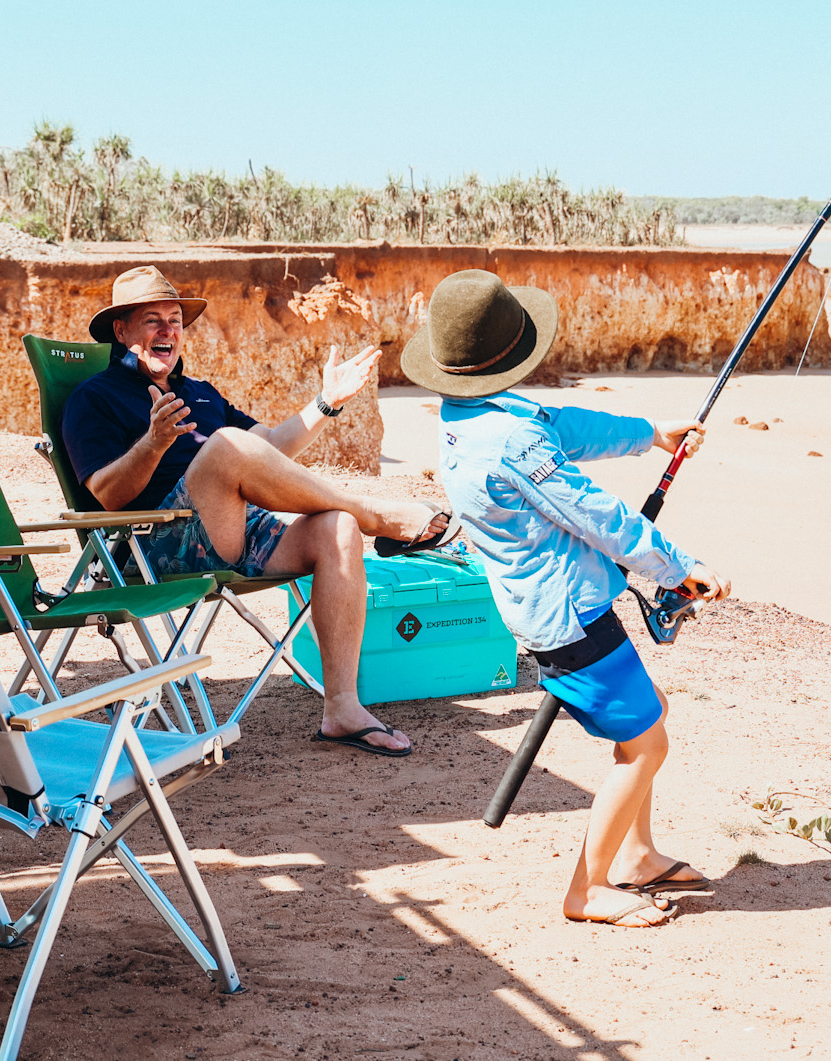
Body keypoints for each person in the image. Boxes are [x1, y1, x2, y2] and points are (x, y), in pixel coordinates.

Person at [403, 269, 731, 927]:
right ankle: (587, 888)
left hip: (548, 606)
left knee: (648, 714)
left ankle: (637, 855)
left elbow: (565, 427)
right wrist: (678, 568)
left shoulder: (473, 417)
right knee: (646, 743)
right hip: (567, 618)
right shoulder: (513, 441)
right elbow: (600, 517)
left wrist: (650, 433)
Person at [62, 266, 458, 757]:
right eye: (151, 320)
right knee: (227, 446)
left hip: (234, 528)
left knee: (338, 528)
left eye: (175, 320)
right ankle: (381, 516)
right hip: (152, 546)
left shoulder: (200, 392)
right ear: (120, 331)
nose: (168, 330)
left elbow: (270, 448)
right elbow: (106, 493)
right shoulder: (92, 399)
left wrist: (326, 402)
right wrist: (155, 442)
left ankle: (342, 707)